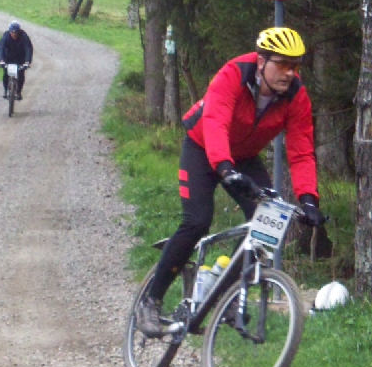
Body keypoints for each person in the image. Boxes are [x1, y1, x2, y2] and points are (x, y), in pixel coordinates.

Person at [136, 27, 325, 337]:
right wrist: (224, 169)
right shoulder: (233, 74)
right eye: (283, 64)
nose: (290, 73)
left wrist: (308, 199)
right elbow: (216, 121)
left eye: (295, 66)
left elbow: (302, 149)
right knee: (197, 220)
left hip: (245, 157)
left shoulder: (295, 95)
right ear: (262, 61)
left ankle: (222, 291)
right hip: (203, 147)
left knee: (267, 221)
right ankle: (151, 301)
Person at [0, 20, 33, 100]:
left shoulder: (24, 37)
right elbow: (1, 48)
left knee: (21, 74)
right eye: (12, 32)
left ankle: (19, 92)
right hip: (8, 58)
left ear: (18, 31)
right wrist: (1, 60)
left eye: (16, 32)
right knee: (6, 73)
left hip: (20, 58)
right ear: (9, 31)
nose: (14, 34)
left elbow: (28, 49)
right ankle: (6, 90)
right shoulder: (6, 36)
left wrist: (27, 62)